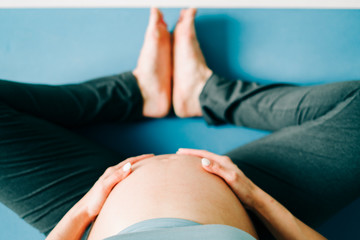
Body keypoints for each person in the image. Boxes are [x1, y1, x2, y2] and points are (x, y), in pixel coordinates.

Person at [0, 7, 359, 240]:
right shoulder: (256, 200)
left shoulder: (87, 207)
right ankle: (208, 94)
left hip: (91, 204)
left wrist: (86, 209)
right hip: (248, 200)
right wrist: (258, 202)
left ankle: (134, 92)